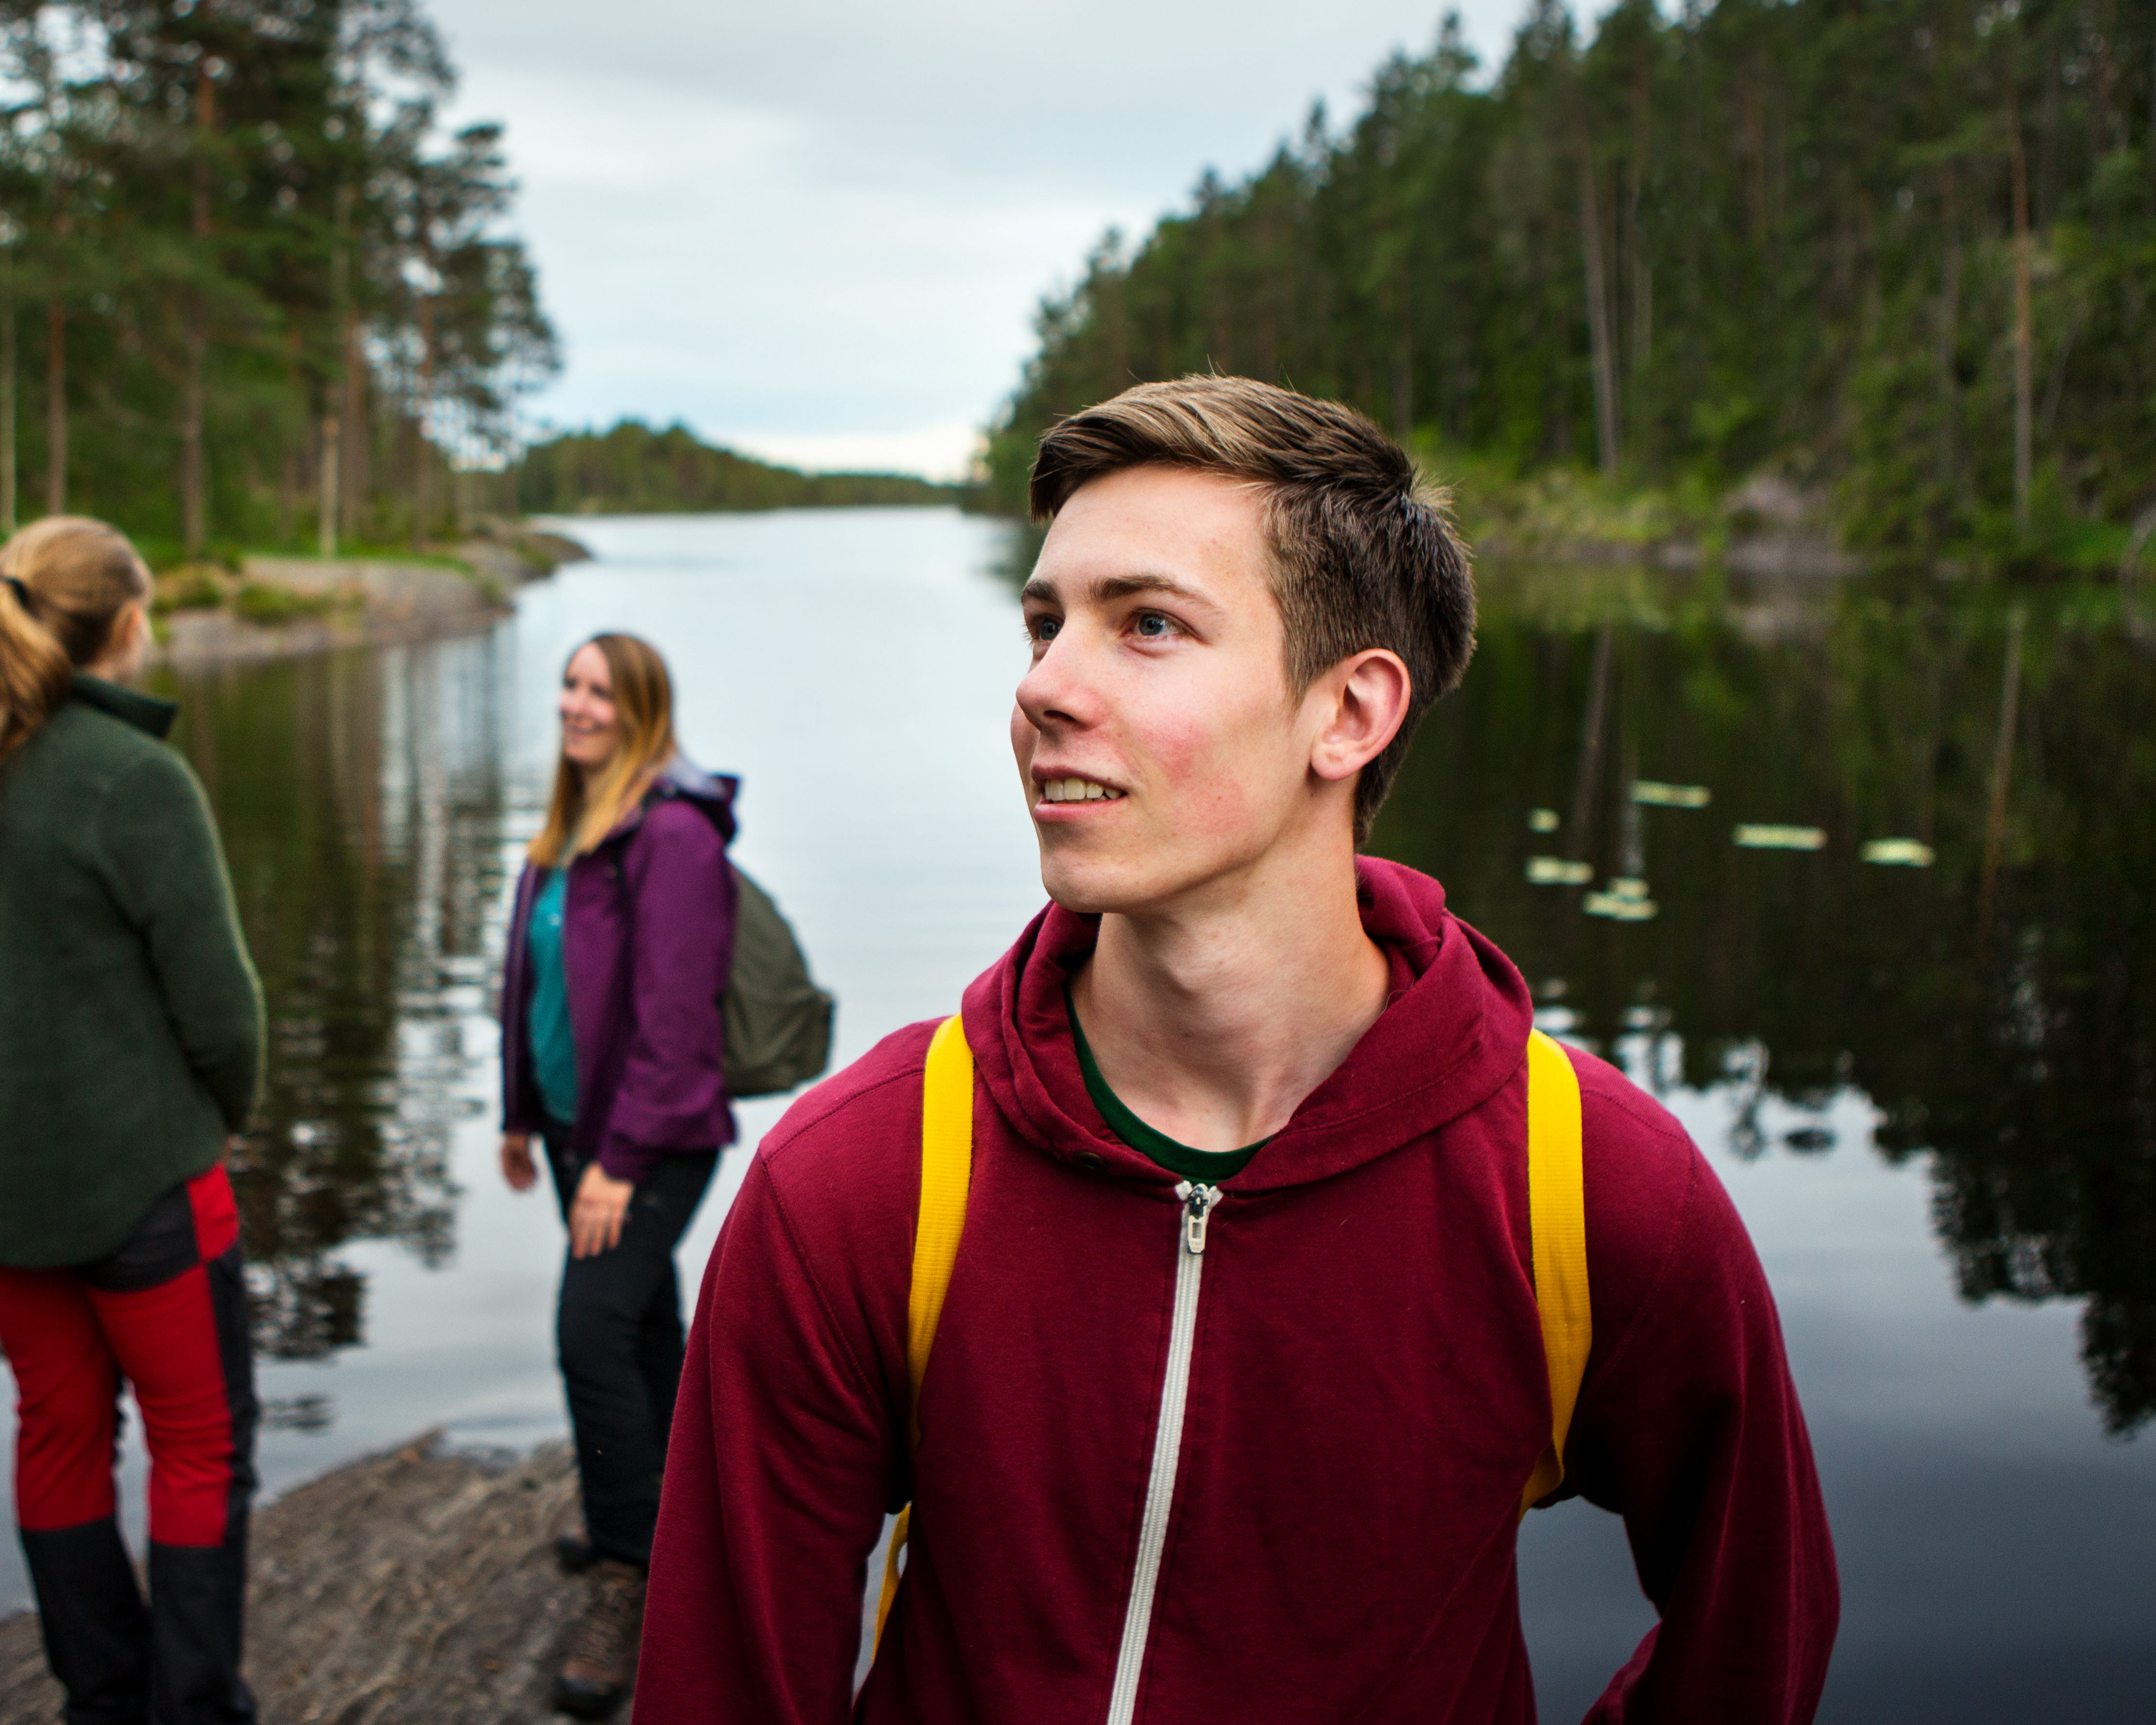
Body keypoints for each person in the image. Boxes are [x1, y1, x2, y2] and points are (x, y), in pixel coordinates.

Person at [636, 377, 1840, 1723]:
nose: (1044, 687)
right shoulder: (865, 1178)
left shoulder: (1589, 1192)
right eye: (1044, 624)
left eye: (1146, 624)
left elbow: (1757, 1627)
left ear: (1350, 714)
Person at [0, 517, 266, 1725]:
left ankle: (104, 1703)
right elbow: (220, 1009)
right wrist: (225, 1114)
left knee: (58, 1430)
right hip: (142, 1182)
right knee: (200, 1441)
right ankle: (194, 1708)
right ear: (119, 624)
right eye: (145, 611)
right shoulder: (138, 778)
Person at [495, 630, 740, 1719]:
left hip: (648, 1137)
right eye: (570, 684)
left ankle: (628, 1566)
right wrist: (519, 1113)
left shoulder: (673, 836)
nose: (577, 705)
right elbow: (532, 984)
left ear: (642, 707)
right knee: (638, 1326)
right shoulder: (566, 829)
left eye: (601, 690)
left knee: (589, 1331)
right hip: (570, 1130)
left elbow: (676, 1019)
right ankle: (667, 1518)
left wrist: (618, 1162)